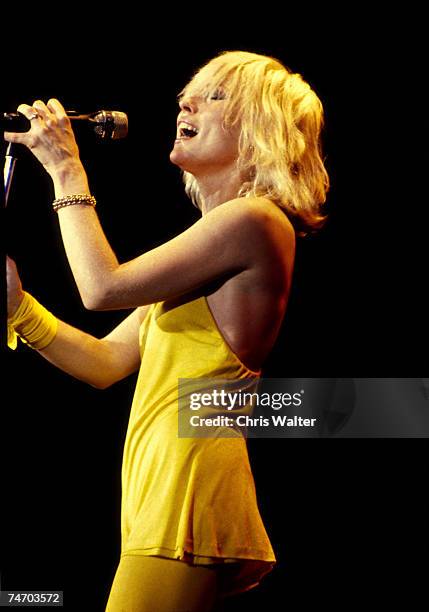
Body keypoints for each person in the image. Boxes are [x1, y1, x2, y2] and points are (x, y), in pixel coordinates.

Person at [5, 50, 329, 611]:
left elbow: (100, 288)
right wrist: (19, 310)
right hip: (161, 488)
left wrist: (66, 170)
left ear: (262, 132)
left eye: (216, 95)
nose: (186, 101)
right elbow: (105, 363)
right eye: (189, 92)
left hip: (190, 486)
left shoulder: (256, 218)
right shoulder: (219, 240)